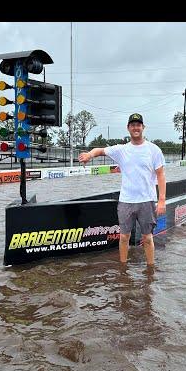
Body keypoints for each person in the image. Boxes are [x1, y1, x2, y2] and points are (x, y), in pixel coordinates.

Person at [78, 113, 166, 266]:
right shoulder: (121, 150)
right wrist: (89, 155)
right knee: (124, 237)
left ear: (143, 127)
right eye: (133, 125)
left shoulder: (154, 150)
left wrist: (162, 200)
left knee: (148, 238)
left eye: (138, 125)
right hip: (126, 201)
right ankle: (123, 268)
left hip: (147, 200)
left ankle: (150, 269)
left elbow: (161, 176)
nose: (135, 127)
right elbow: (100, 150)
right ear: (128, 128)